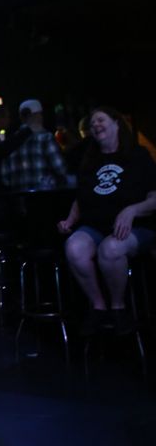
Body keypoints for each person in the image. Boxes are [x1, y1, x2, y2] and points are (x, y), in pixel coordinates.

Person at [57, 105, 156, 336]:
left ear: (116, 123)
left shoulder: (138, 155)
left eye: (100, 120)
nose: (95, 125)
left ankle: (118, 308)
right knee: (74, 247)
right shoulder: (90, 160)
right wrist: (69, 221)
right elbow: (81, 198)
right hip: (97, 226)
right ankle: (98, 306)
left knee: (110, 249)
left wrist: (132, 210)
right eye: (92, 124)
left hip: (138, 228)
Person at [0, 98, 69, 192]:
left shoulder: (10, 141)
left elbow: (5, 178)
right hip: (43, 197)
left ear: (21, 117)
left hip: (18, 198)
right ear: (38, 115)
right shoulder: (46, 137)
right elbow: (61, 169)